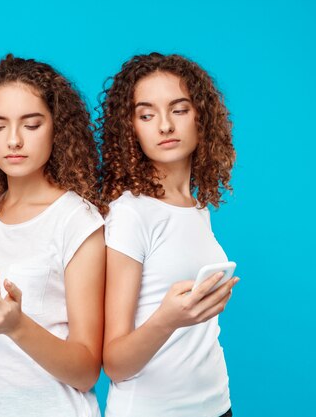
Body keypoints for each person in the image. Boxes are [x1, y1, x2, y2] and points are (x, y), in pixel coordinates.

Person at [0, 54, 106, 417]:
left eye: (31, 124)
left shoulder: (77, 220)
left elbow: (87, 371)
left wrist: (16, 326)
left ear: (56, 127)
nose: (13, 140)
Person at [100, 52, 239, 417]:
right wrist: (168, 319)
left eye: (178, 109)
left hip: (216, 405)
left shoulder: (196, 208)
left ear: (201, 118)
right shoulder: (130, 213)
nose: (164, 126)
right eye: (146, 115)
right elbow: (114, 362)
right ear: (131, 129)